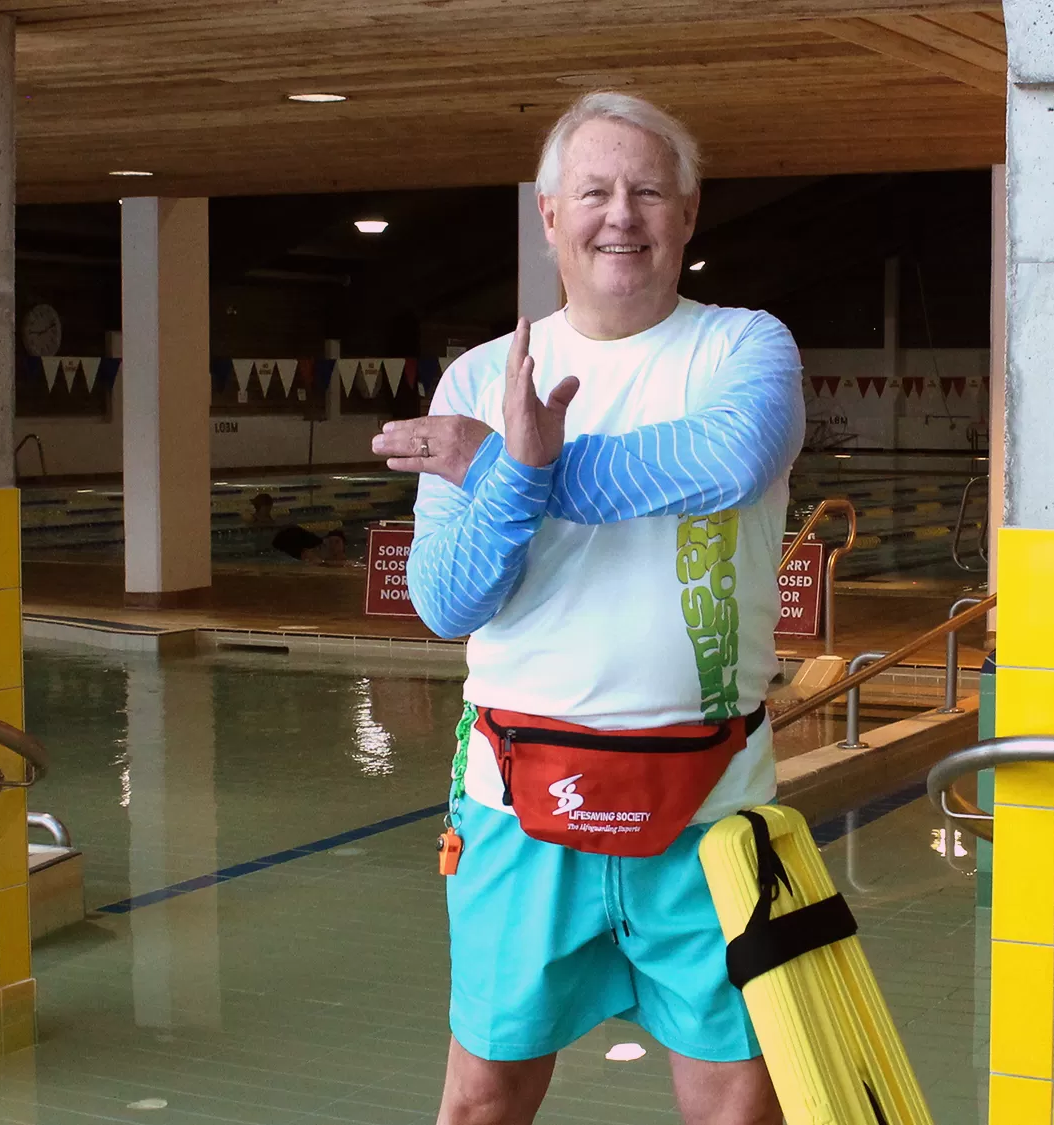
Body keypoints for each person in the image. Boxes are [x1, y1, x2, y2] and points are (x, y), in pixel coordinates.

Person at [370, 91, 803, 1125]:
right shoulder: (477, 376)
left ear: (687, 213)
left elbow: (719, 461)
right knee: (479, 1102)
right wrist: (508, 473)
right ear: (549, 215)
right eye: (594, 191)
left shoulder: (743, 351)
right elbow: (445, 599)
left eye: (648, 190)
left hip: (713, 806)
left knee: (740, 1110)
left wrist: (500, 461)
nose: (622, 214)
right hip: (515, 801)